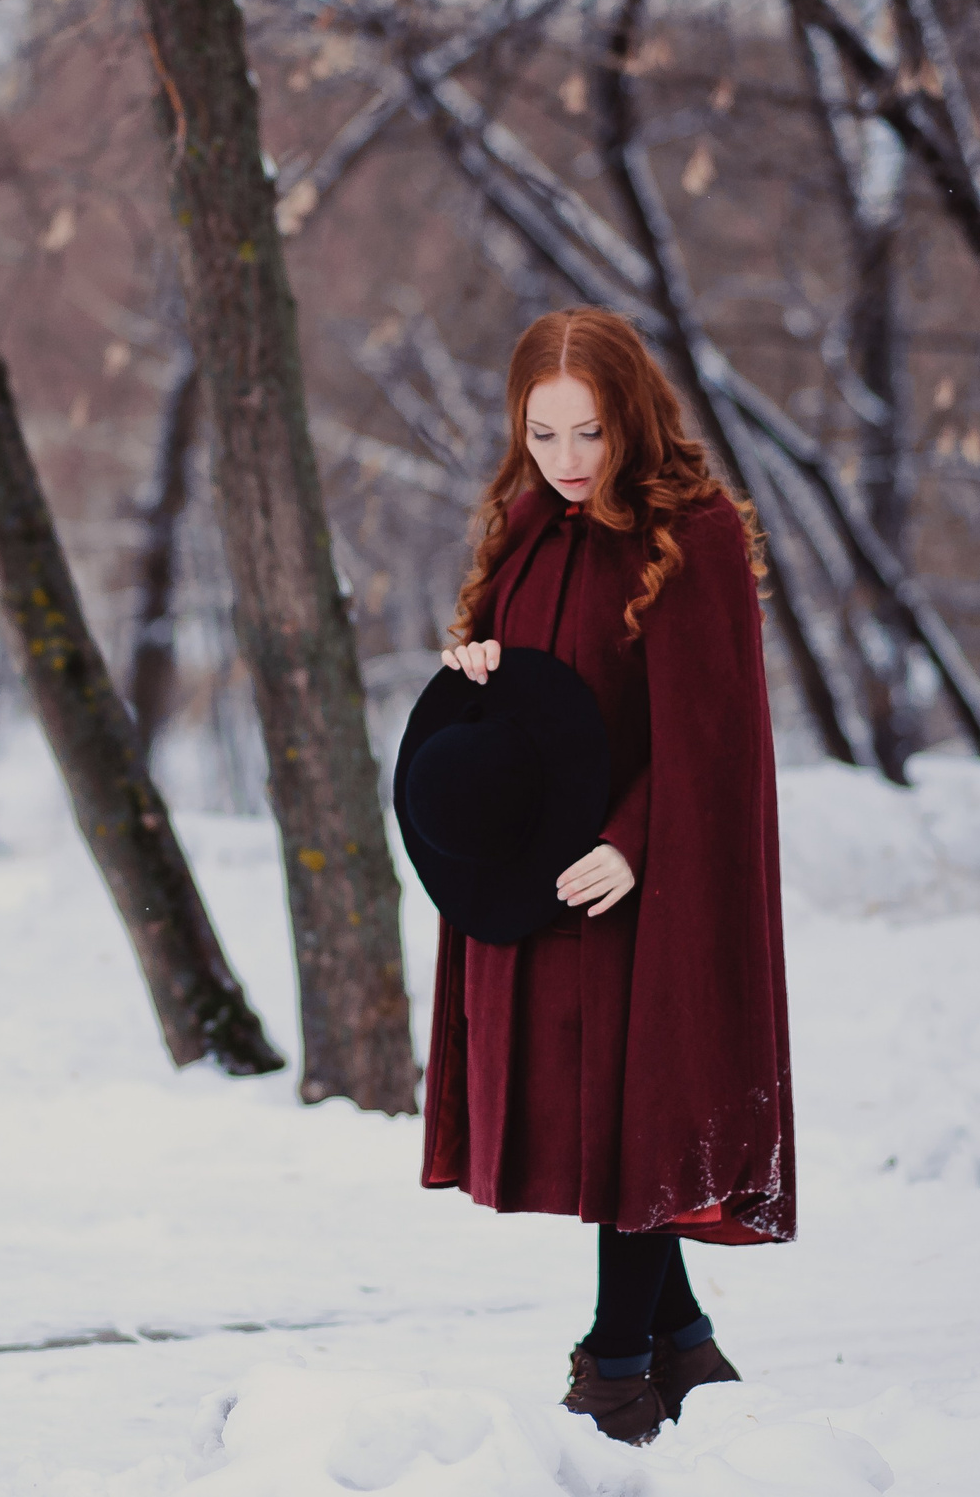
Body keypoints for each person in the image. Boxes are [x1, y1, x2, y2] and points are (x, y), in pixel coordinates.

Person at [421, 307, 796, 1445]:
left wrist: (635, 841)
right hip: (544, 888)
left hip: (645, 891)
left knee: (640, 1121)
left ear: (634, 415)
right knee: (597, 1133)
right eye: (542, 435)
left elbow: (715, 737)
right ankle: (685, 1347)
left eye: (590, 432)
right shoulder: (528, 529)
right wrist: (477, 670)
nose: (567, 459)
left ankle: (616, 1371)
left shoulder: (695, 533)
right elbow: (527, 710)